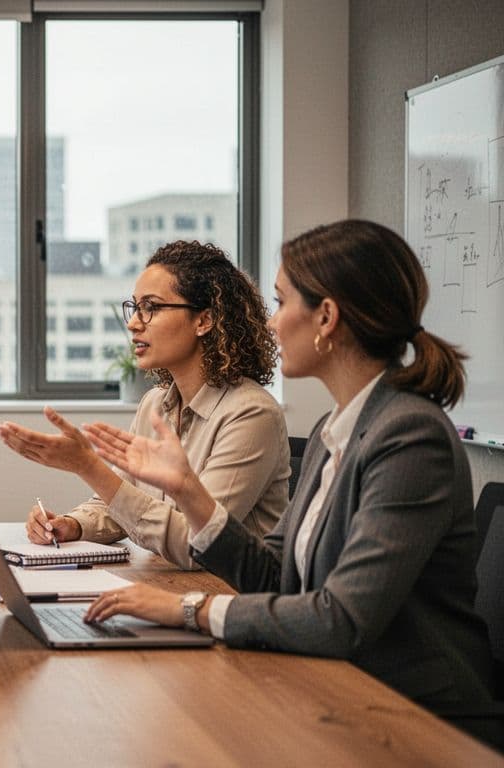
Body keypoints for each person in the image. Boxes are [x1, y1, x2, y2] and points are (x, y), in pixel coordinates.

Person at [80, 219, 493, 711]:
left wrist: (191, 609)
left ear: (326, 318)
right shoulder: (331, 429)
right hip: (328, 684)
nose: (271, 323)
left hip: (414, 713)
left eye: (281, 302)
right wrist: (189, 492)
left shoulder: (410, 436)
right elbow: (272, 574)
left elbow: (342, 618)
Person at [0, 241, 288, 569]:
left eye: (151, 307)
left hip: (230, 601)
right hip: (167, 587)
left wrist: (89, 467)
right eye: (134, 307)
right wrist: (72, 525)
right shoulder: (155, 404)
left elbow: (200, 544)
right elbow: (123, 504)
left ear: (203, 320)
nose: (134, 322)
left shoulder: (251, 414)